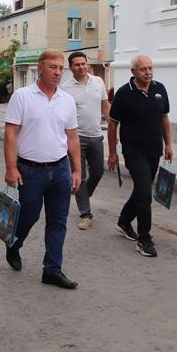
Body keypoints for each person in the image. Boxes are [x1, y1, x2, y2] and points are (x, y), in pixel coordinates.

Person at [4, 49, 82, 289]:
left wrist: (77, 170)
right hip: (30, 171)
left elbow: (72, 138)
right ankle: (14, 245)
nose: (58, 72)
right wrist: (11, 167)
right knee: (28, 217)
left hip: (60, 169)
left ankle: (52, 269)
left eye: (61, 68)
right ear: (40, 68)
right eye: (53, 67)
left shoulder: (66, 100)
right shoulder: (22, 96)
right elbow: (10, 133)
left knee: (58, 221)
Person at [107, 55, 173, 258]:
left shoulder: (159, 89)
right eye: (143, 68)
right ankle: (145, 239)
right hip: (134, 151)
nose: (148, 72)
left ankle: (124, 221)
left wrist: (169, 143)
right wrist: (112, 153)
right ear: (133, 72)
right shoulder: (124, 93)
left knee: (141, 191)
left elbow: (164, 118)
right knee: (144, 193)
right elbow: (112, 123)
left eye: (150, 68)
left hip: (154, 150)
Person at [61, 52, 109, 230]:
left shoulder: (98, 82)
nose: (81, 67)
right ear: (71, 67)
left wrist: (113, 126)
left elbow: (105, 106)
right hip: (76, 138)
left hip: (96, 135)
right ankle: (85, 213)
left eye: (83, 64)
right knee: (79, 176)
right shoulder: (65, 88)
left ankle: (83, 196)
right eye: (77, 65)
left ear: (87, 64)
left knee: (98, 172)